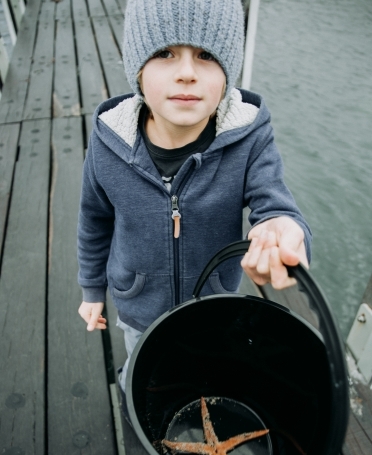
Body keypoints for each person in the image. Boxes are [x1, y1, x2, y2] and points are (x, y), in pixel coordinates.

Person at [77, 0, 312, 411]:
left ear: (227, 72)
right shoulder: (106, 143)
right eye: (165, 53)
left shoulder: (250, 139)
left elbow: (275, 204)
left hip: (213, 304)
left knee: (201, 366)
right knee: (144, 370)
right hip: (139, 304)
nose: (186, 71)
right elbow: (94, 220)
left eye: (206, 55)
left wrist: (283, 228)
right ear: (137, 69)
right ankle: (141, 399)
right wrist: (92, 288)